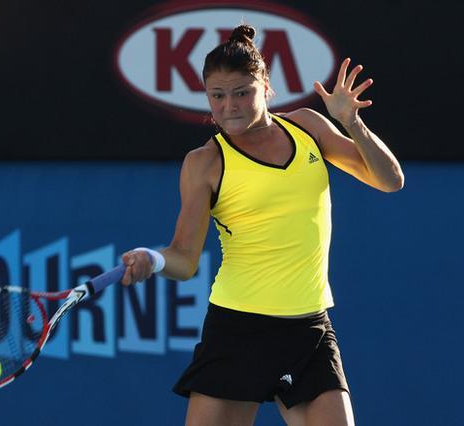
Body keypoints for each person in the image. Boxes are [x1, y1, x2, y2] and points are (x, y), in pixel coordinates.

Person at [121, 24, 404, 426]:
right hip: (239, 330)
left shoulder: (307, 127)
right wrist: (153, 259)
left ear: (266, 87)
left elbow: (390, 180)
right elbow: (184, 258)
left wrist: (352, 123)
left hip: (310, 328)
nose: (229, 106)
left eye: (242, 93)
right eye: (217, 95)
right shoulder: (205, 163)